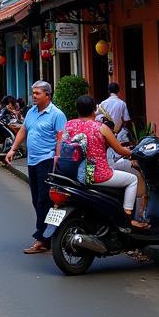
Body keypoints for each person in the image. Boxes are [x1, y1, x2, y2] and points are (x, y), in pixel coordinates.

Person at [61, 95, 147, 228]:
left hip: (73, 172)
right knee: (132, 180)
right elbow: (119, 150)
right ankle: (127, 219)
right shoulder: (101, 128)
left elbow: (62, 145)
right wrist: (134, 152)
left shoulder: (69, 125)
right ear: (94, 110)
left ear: (77, 109)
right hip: (95, 173)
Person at [5, 81, 66, 253]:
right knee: (36, 200)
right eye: (33, 93)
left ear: (48, 95)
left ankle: (42, 239)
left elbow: (61, 138)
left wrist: (57, 157)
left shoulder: (56, 114)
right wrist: (13, 149)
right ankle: (48, 235)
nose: (33, 96)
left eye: (37, 93)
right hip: (32, 162)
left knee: (43, 200)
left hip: (46, 162)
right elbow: (24, 130)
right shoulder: (31, 112)